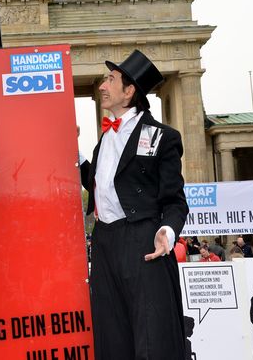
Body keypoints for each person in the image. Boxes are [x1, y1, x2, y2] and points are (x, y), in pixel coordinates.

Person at [80, 49, 188, 359]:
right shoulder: (105, 139)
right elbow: (104, 187)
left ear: (129, 91)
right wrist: (76, 159)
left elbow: (175, 199)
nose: (102, 86)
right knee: (111, 336)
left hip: (143, 243)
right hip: (104, 245)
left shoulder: (163, 137)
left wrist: (167, 231)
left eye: (110, 80)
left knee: (152, 338)